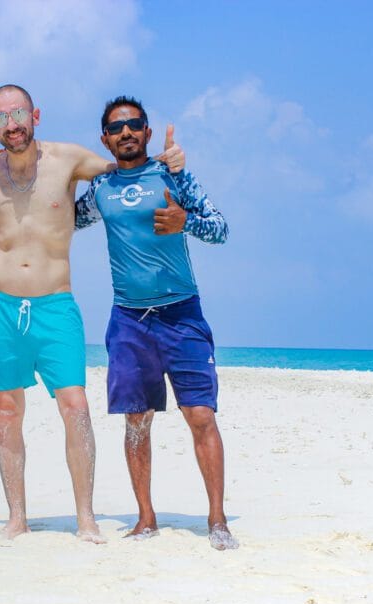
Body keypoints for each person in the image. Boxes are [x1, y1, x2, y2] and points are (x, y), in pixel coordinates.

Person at [0, 84, 184, 542]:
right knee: (6, 410)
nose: (12, 124)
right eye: (1, 118)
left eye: (18, 113)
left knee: (75, 405)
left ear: (35, 113)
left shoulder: (69, 159)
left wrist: (169, 161)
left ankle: (86, 517)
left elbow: (128, 168)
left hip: (55, 304)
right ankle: (16, 517)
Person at [74, 95, 239, 551]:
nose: (126, 132)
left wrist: (185, 221)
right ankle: (146, 519)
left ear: (147, 132)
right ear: (105, 139)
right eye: (116, 127)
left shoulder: (172, 174)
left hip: (182, 313)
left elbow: (220, 228)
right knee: (136, 423)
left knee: (200, 415)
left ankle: (218, 520)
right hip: (129, 319)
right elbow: (60, 222)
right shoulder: (100, 191)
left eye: (134, 124)